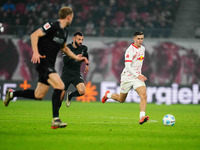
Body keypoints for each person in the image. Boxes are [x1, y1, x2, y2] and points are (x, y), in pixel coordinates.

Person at [4, 7, 89, 129]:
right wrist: (35, 52)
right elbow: (34, 35)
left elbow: (64, 48)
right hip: (43, 61)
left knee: (38, 95)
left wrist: (78, 58)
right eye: (72, 17)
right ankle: (55, 119)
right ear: (69, 17)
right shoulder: (52, 25)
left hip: (49, 63)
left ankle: (12, 94)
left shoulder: (64, 31)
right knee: (60, 86)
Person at [101, 31, 149, 125]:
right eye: (138, 39)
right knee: (121, 99)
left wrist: (138, 75)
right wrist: (137, 75)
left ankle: (142, 117)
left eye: (142, 39)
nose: (140, 41)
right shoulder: (130, 50)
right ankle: (108, 95)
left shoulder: (143, 48)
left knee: (144, 95)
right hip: (127, 77)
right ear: (134, 39)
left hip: (137, 78)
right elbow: (127, 66)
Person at [61, 31, 89, 107]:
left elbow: (86, 55)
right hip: (66, 73)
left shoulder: (84, 48)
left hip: (76, 73)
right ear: (74, 39)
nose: (81, 42)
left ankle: (70, 95)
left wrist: (87, 65)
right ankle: (56, 115)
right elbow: (65, 61)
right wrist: (75, 57)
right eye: (79, 39)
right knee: (60, 97)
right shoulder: (67, 48)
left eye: (82, 40)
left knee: (82, 91)